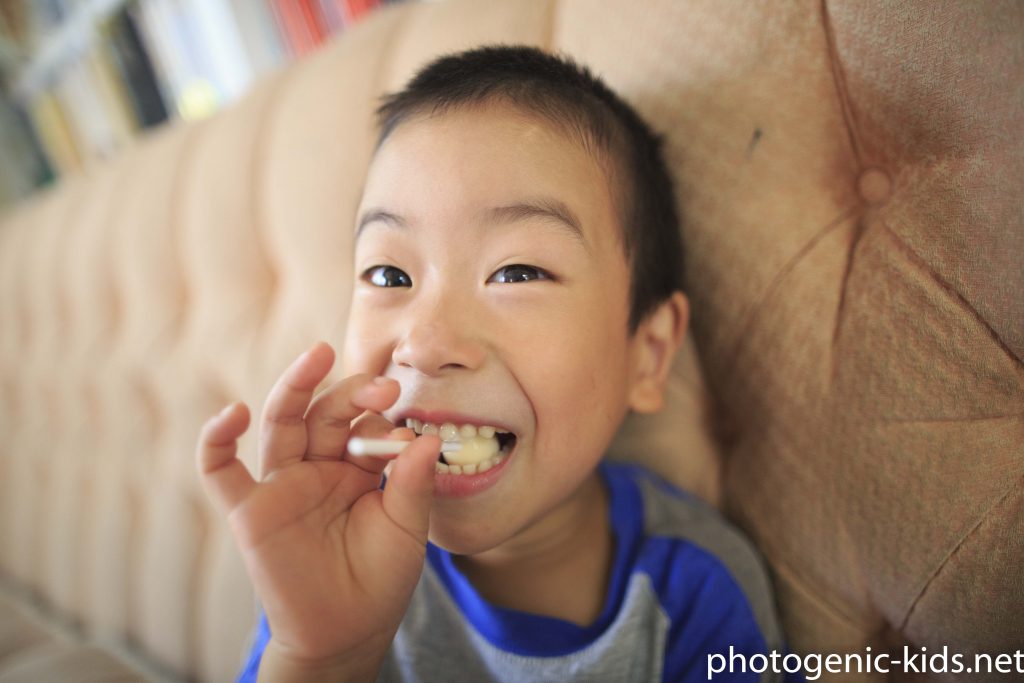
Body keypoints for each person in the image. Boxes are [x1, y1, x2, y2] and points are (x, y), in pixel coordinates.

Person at [197, 44, 791, 682]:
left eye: (517, 271)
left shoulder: (696, 592)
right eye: (388, 272)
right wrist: (322, 658)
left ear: (647, 355)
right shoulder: (332, 550)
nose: (423, 343)